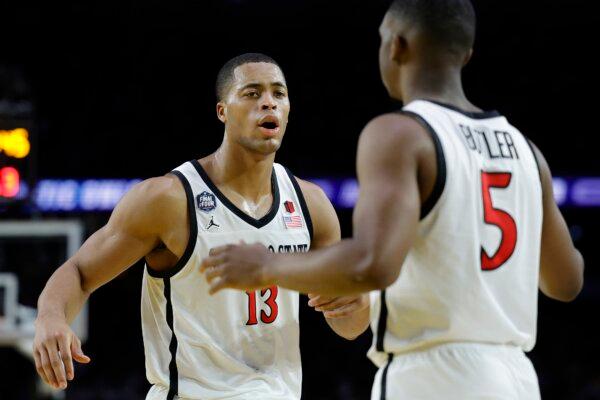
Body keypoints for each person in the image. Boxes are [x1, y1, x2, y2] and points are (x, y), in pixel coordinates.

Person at [200, 2, 585, 399]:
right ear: (465, 54)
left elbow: (372, 264)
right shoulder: (526, 151)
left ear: (396, 46)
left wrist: (268, 265)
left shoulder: (399, 133)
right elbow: (567, 281)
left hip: (434, 376)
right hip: (517, 378)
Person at [32, 53, 369, 399]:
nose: (268, 103)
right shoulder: (168, 200)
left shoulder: (311, 205)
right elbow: (79, 272)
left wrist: (356, 304)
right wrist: (51, 318)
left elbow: (348, 328)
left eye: (278, 94)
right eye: (252, 93)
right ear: (222, 111)